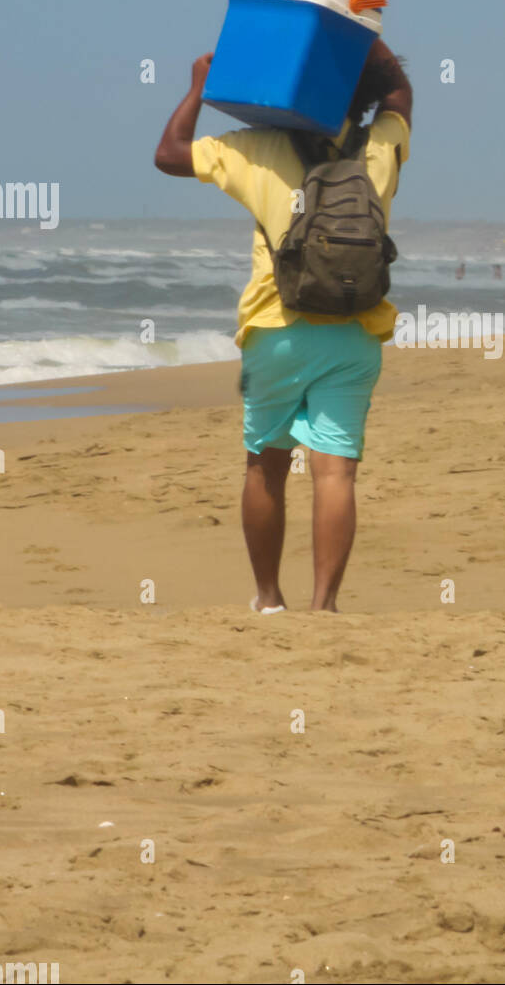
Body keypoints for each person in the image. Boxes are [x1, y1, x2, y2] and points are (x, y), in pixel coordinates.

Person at [154, 38, 413, 613]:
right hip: (354, 330)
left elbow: (169, 155)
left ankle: (269, 599)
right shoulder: (381, 147)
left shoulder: (258, 147)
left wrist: (199, 86)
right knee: (335, 473)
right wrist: (363, 36)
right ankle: (324, 607)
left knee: (266, 466)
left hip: (276, 329)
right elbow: (401, 93)